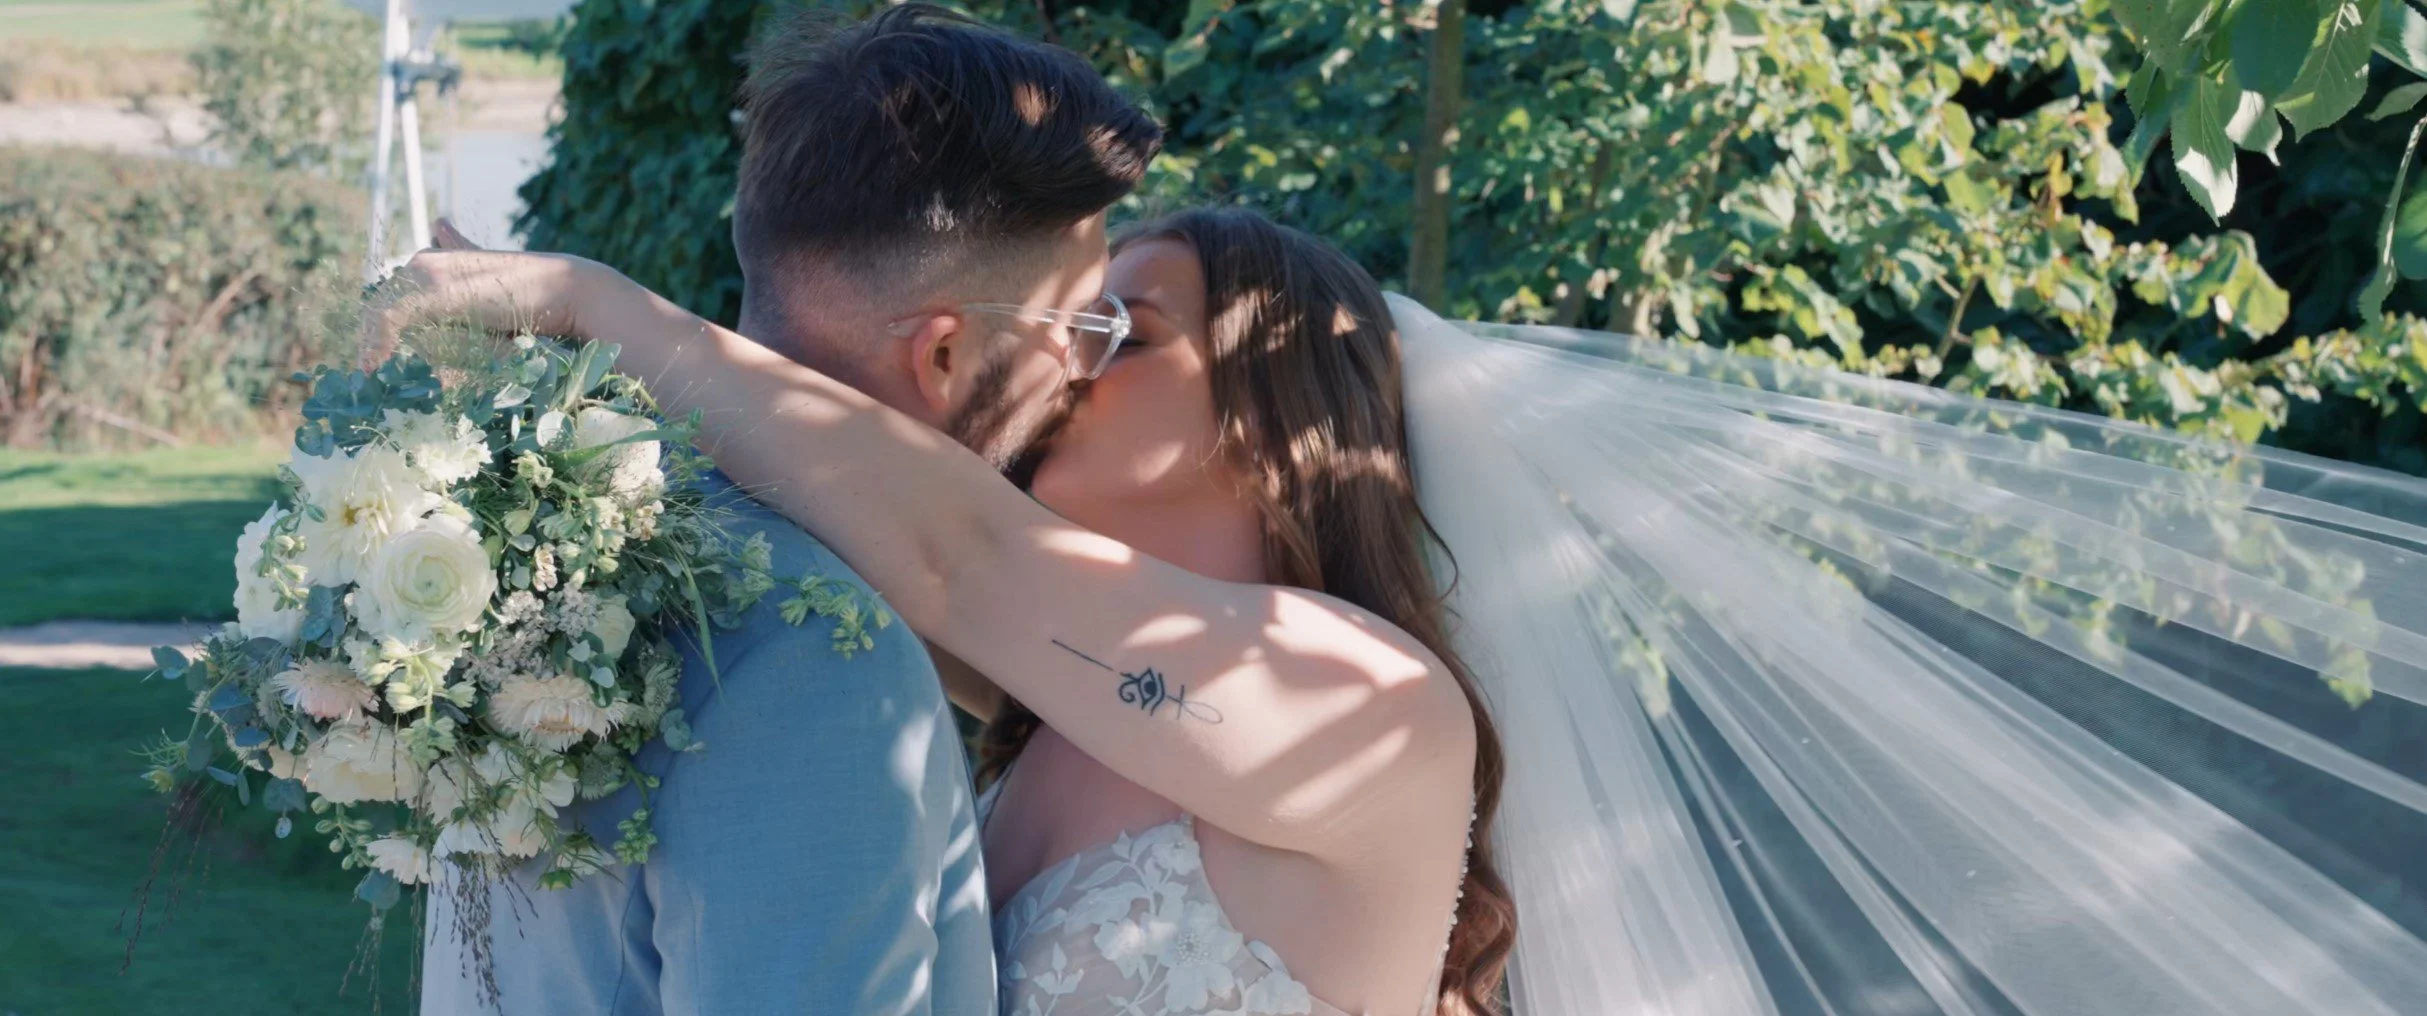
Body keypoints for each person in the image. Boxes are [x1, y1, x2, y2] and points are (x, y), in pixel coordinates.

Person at [380, 211, 2427, 1016]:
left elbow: (956, 551)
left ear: (1277, 434)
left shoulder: (1359, 705)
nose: (1066, 348)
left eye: (1132, 325)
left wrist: (590, 311)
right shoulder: (1029, 722)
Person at [412, 6, 1162, 1014]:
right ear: (943, 352)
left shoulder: (579, 550)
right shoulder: (818, 650)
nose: (1083, 372)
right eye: (1076, 326)